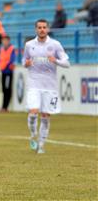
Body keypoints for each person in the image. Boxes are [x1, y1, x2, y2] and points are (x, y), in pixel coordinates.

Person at [23, 19, 70, 154]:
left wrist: (56, 60)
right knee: (33, 112)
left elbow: (67, 63)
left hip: (50, 86)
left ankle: (42, 145)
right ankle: (33, 135)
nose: (42, 29)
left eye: (44, 27)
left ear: (48, 29)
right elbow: (24, 61)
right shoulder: (29, 45)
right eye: (39, 27)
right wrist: (26, 64)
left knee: (45, 116)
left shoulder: (55, 45)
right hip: (34, 84)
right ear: (36, 29)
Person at [0, 35, 15, 112]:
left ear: (8, 41)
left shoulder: (12, 49)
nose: (4, 42)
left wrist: (6, 66)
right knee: (4, 89)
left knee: (7, 89)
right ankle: (3, 106)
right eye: (3, 40)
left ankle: (5, 107)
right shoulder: (2, 49)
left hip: (8, 72)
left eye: (5, 40)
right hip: (3, 71)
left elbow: (12, 60)